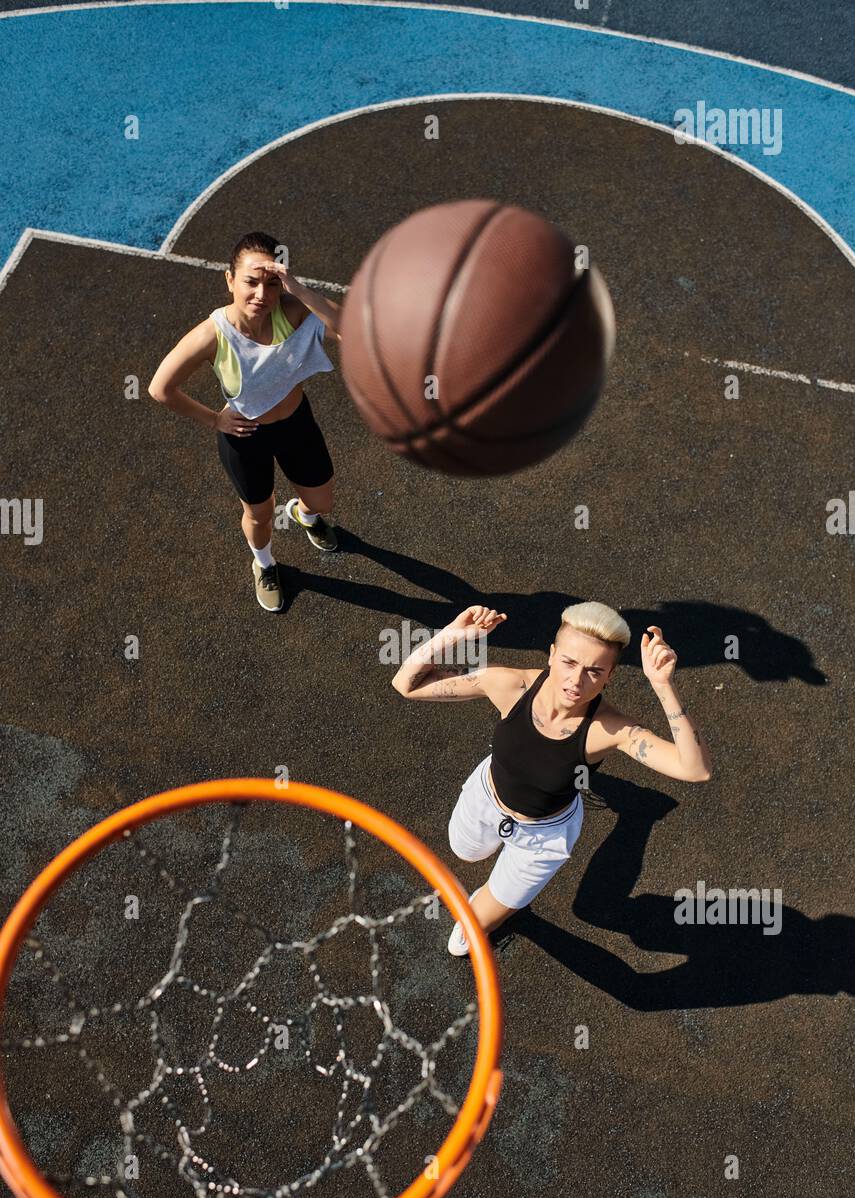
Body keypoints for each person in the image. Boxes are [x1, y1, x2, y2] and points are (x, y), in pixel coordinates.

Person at [391, 601, 713, 955]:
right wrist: (455, 634)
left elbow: (694, 769)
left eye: (593, 671)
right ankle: (641, 813)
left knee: (469, 932)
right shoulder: (510, 686)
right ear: (551, 654)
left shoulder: (609, 729)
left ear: (610, 676)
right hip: (487, 796)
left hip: (543, 836)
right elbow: (406, 685)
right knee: (464, 852)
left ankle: (498, 902)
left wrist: (663, 685)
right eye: (569, 663)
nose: (576, 681)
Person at [148, 231, 343, 612]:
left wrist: (296, 288)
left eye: (272, 284)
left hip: (296, 425)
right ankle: (265, 564)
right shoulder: (212, 335)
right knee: (260, 514)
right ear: (230, 280)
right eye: (251, 282)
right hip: (246, 435)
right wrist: (214, 420)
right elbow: (160, 388)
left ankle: (304, 516)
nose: (261, 295)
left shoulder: (292, 310)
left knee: (322, 501)